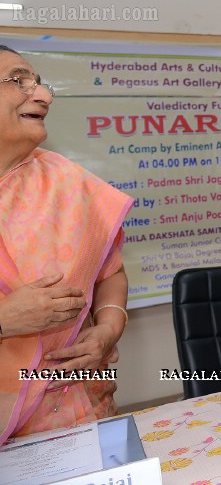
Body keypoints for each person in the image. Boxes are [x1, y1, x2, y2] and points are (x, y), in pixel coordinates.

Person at [0, 45, 133, 442]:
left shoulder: (65, 180)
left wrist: (107, 329)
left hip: (85, 410)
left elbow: (112, 272)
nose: (42, 95)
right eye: (19, 81)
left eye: (40, 83)